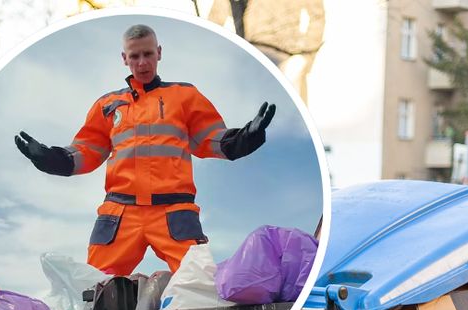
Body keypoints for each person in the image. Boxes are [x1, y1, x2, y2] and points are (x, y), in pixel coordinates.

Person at [15, 23, 275, 276]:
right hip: (120, 213)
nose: (142, 63)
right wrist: (53, 159)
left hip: (173, 211)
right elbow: (87, 151)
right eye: (134, 56)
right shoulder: (107, 105)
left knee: (201, 285)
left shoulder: (184, 95)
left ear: (159, 53)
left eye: (148, 54)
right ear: (124, 58)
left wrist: (245, 138)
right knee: (95, 290)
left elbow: (211, 139)